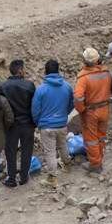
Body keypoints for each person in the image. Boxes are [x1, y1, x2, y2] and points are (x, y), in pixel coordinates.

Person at [31, 59, 74, 189]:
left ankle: (52, 178)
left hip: (47, 126)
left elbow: (35, 109)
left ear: (45, 71)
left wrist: (38, 122)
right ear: (58, 70)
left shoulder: (41, 89)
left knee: (50, 153)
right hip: (61, 123)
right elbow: (71, 104)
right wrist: (64, 115)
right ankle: (67, 165)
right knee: (63, 145)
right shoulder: (67, 86)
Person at [73, 48, 112, 173]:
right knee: (101, 136)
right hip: (104, 108)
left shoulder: (84, 77)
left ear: (84, 61)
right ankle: (100, 158)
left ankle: (95, 165)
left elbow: (78, 97)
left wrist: (81, 110)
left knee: (91, 139)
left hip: (91, 111)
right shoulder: (106, 73)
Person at [0, 59, 36, 186]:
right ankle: (24, 177)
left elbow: (1, 107)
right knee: (27, 150)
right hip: (27, 123)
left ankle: (11, 179)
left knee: (10, 151)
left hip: (11, 125)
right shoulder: (29, 85)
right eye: (24, 69)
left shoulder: (3, 86)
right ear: (20, 70)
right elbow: (35, 106)